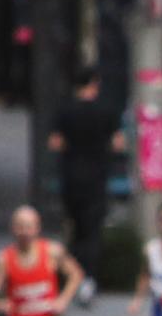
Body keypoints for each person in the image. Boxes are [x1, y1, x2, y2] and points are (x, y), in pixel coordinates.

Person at [46, 65, 125, 298]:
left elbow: (55, 143)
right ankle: (88, 278)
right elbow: (118, 144)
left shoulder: (64, 110)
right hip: (96, 176)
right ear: (95, 84)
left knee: (75, 227)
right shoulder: (107, 110)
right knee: (92, 230)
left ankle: (71, 275)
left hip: (71, 176)